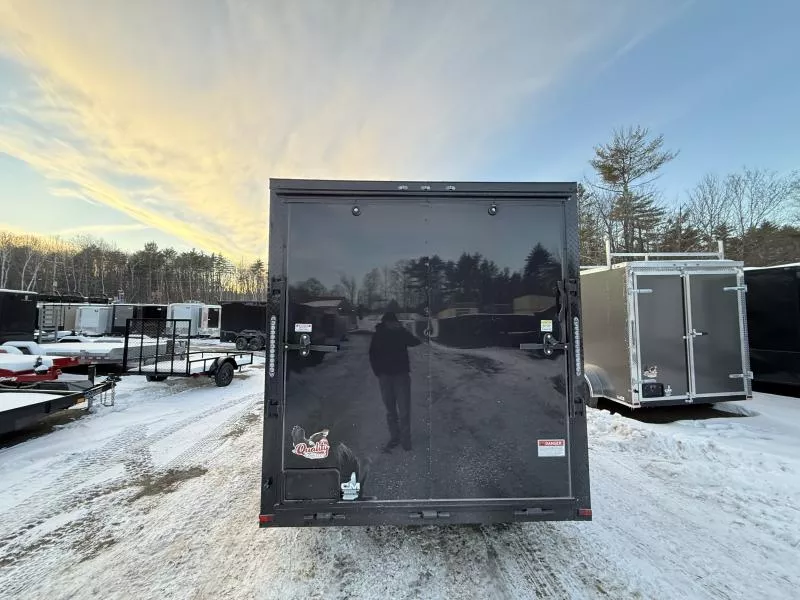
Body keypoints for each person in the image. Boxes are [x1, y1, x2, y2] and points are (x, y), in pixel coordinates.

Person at [368, 312, 421, 452]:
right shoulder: (378, 334)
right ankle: (395, 437)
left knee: (404, 410)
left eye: (394, 322)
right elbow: (372, 354)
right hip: (385, 377)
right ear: (385, 323)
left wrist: (402, 330)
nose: (392, 324)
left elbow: (415, 342)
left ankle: (405, 440)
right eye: (390, 322)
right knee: (390, 410)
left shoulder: (400, 333)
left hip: (401, 376)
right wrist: (378, 372)